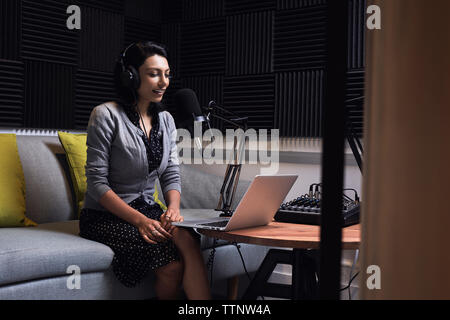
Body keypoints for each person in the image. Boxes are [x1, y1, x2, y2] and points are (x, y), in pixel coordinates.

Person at [79, 41, 211, 300]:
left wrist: (173, 208)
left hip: (148, 210)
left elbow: (171, 170)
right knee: (171, 264)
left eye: (167, 74)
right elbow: (97, 184)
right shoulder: (105, 115)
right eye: (154, 74)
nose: (163, 82)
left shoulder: (166, 120)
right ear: (130, 75)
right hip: (104, 217)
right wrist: (139, 221)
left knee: (188, 239)